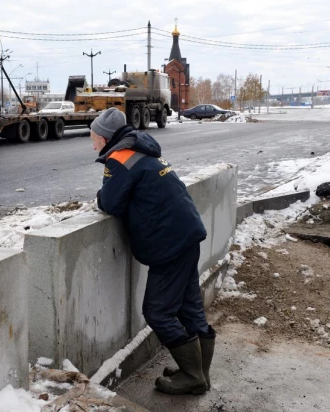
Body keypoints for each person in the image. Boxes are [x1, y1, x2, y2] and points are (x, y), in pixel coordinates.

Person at [90, 107, 216, 395]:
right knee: (188, 306)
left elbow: (110, 203)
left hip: (168, 243)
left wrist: (101, 195)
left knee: (157, 312)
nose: (92, 141)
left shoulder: (120, 158)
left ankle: (193, 376)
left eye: (93, 136)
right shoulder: (142, 150)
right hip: (186, 233)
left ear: (104, 137)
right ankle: (198, 372)